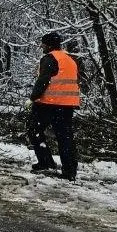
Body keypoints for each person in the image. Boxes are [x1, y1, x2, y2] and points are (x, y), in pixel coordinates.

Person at [26, 31, 80, 181]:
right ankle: (69, 171)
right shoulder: (69, 59)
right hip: (68, 105)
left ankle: (46, 161)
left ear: (48, 45)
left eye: (43, 43)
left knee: (34, 130)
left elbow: (43, 80)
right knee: (65, 137)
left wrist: (32, 98)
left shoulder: (49, 58)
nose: (41, 46)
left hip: (48, 103)